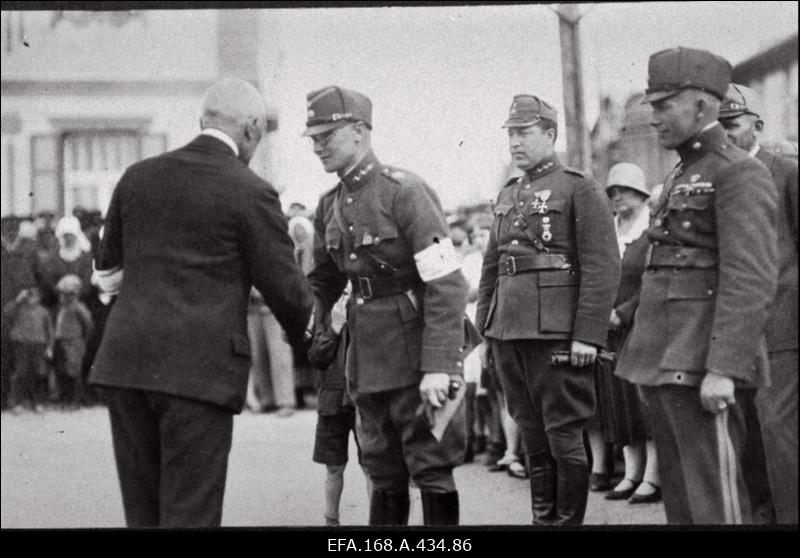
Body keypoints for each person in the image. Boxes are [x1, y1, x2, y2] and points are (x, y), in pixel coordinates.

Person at [88, 78, 313, 528]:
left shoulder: (138, 176)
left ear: (203, 121)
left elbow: (107, 273)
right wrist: (316, 344)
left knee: (143, 515)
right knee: (191, 515)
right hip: (199, 374)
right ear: (250, 128)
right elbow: (286, 293)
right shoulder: (251, 190)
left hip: (127, 364)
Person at [615, 47, 778, 524]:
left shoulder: (738, 173)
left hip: (703, 363)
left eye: (665, 105)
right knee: (684, 503)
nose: (654, 117)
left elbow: (750, 278)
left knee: (716, 502)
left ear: (702, 107)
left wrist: (725, 367)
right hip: (664, 359)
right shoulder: (683, 173)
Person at [304, 85, 469, 526]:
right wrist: (313, 319)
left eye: (327, 136)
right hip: (366, 359)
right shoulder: (329, 205)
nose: (318, 147)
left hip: (416, 354)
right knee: (381, 467)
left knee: (431, 465)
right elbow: (322, 280)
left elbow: (446, 284)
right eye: (314, 138)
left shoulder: (405, 192)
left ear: (359, 132)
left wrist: (439, 364)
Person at [475, 95, 621, 525]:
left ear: (550, 135)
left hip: (556, 332)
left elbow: (602, 266)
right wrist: (486, 330)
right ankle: (544, 521)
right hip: (508, 332)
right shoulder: (508, 193)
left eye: (524, 133)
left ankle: (567, 523)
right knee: (532, 437)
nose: (515, 143)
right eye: (511, 134)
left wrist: (587, 335)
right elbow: (492, 267)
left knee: (563, 436)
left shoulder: (579, 187)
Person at [719, 84, 798, 525]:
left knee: (778, 435)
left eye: (733, 126)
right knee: (744, 436)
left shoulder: (785, 171)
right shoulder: (718, 179)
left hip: (782, 327)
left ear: (758, 126)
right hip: (734, 331)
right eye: (721, 128)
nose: (726, 136)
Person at [598, 162, 661, 504]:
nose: (617, 197)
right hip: (610, 329)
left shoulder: (651, 230)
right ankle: (631, 471)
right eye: (612, 192)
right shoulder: (610, 230)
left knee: (643, 401)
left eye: (623, 190)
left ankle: (653, 474)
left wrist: (623, 313)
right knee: (616, 398)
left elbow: (653, 280)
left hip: (643, 324)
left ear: (640, 193)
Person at [309, 287, 372, 526]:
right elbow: (316, 357)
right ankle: (331, 522)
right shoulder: (326, 309)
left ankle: (378, 523)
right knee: (333, 467)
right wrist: (335, 328)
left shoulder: (369, 305)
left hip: (363, 397)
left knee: (371, 466)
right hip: (332, 399)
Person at [3, 286, 53, 413]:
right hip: (21, 345)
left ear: (39, 298)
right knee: (21, 373)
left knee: (38, 374)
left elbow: (50, 331)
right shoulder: (18, 308)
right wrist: (17, 300)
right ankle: (17, 403)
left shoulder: (43, 312)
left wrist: (49, 347)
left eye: (35, 296)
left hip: (39, 345)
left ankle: (37, 402)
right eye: (29, 295)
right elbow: (6, 313)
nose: (32, 298)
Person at [53, 274, 93, 409]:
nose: (64, 297)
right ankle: (65, 400)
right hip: (61, 341)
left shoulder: (78, 308)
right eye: (63, 294)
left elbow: (88, 325)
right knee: (62, 372)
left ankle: (75, 401)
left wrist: (80, 340)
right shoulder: (61, 308)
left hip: (74, 342)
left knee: (74, 372)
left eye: (68, 294)